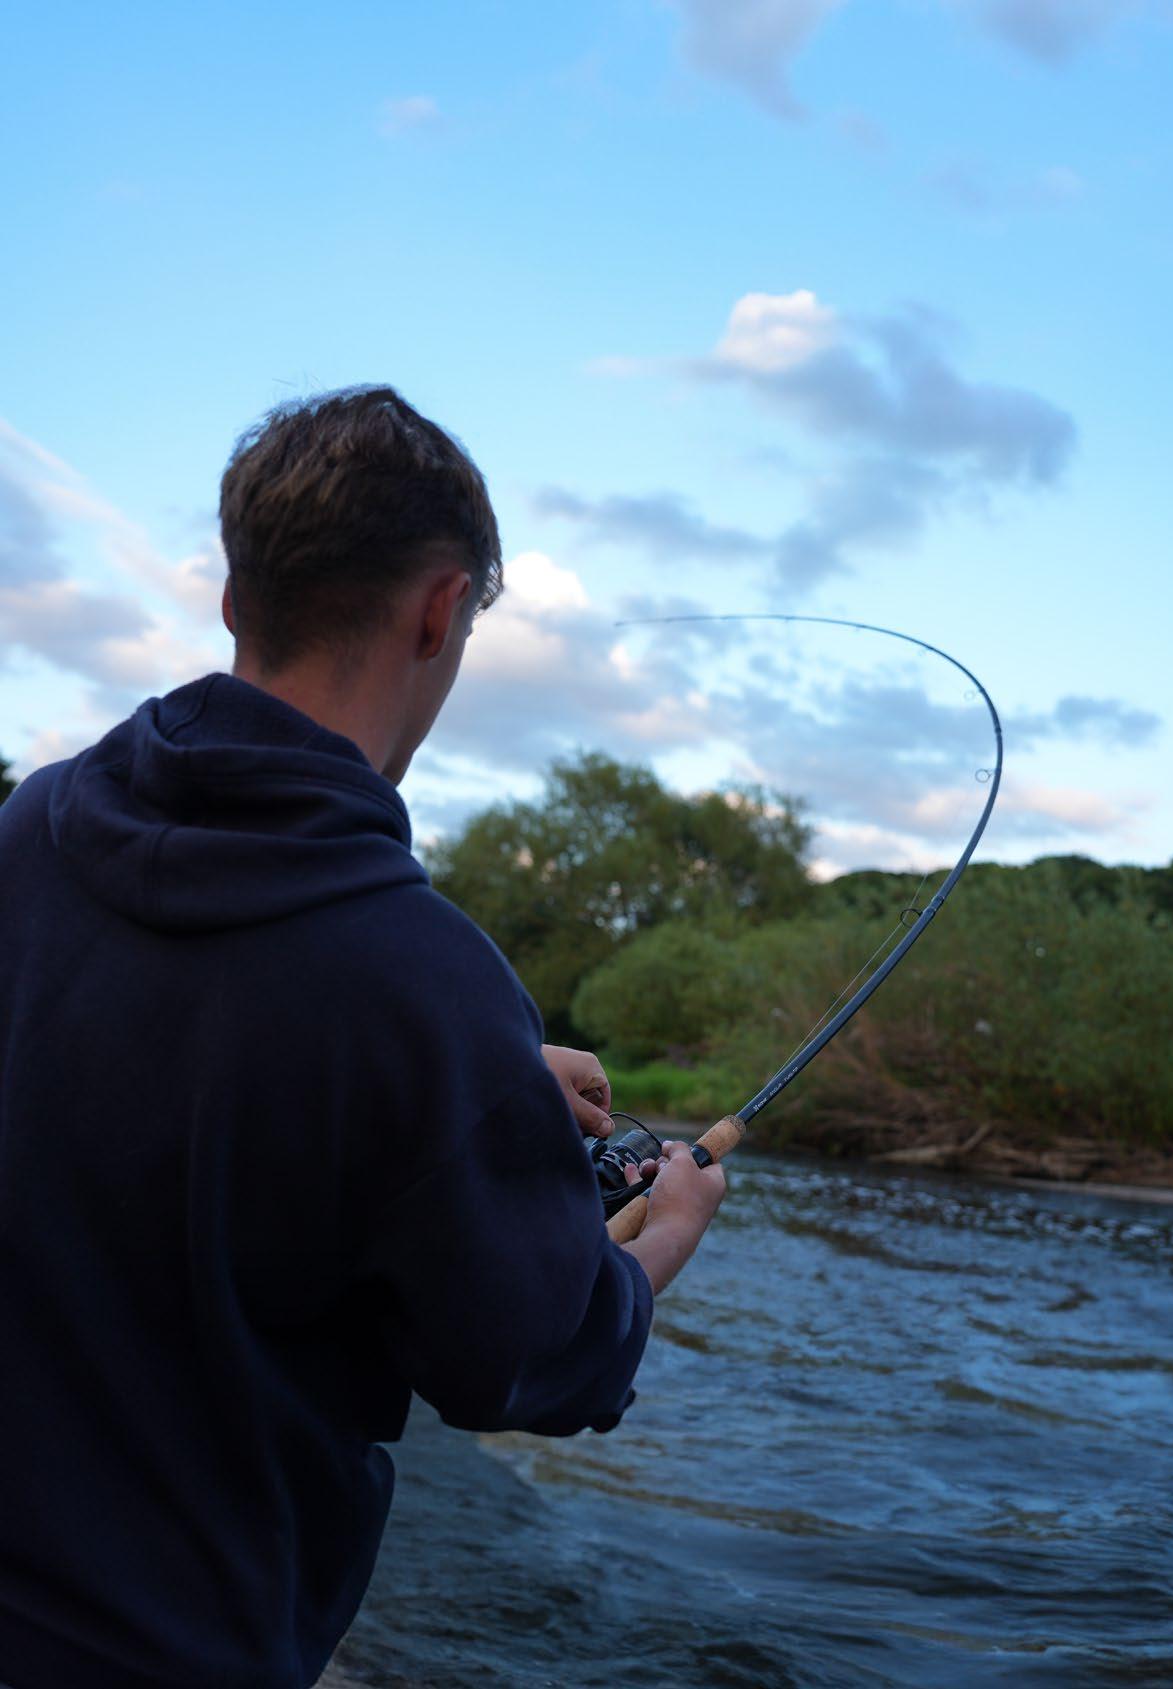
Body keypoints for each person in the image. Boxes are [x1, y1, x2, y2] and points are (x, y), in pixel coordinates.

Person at [0, 386, 726, 1689]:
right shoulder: (428, 985)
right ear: (441, 612)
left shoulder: (30, 827)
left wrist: (475, 1088)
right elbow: (531, 1361)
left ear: (237, 597)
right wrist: (665, 1229)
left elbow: (135, 1060)